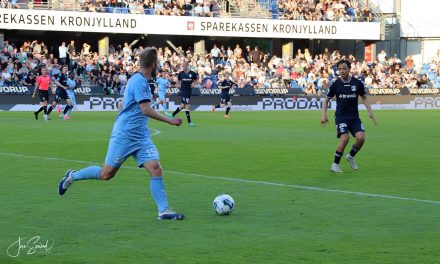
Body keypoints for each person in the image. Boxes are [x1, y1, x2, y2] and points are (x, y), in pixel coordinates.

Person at [58, 47, 184, 220]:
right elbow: (145, 109)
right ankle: (72, 176)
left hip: (140, 136)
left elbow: (123, 104)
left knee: (155, 169)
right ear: (154, 64)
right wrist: (170, 120)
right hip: (125, 135)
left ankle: (164, 211)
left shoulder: (138, 80)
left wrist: (125, 112)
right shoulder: (139, 82)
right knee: (106, 174)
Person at [321, 59, 377, 173]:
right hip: (341, 116)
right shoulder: (336, 84)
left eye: (344, 68)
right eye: (339, 69)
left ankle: (350, 156)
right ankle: (335, 164)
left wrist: (370, 111)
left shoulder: (357, 83)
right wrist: (324, 115)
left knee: (361, 138)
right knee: (345, 138)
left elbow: (364, 97)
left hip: (354, 117)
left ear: (349, 69)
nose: (341, 71)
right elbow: (326, 100)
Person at [172, 60, 198, 127]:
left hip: (189, 91)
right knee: (187, 106)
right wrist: (175, 84)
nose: (182, 67)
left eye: (183, 66)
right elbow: (177, 82)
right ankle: (189, 122)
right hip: (183, 91)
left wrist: (194, 84)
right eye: (182, 66)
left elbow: (196, 80)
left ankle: (172, 115)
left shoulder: (193, 73)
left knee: (182, 106)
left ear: (187, 66)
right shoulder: (181, 73)